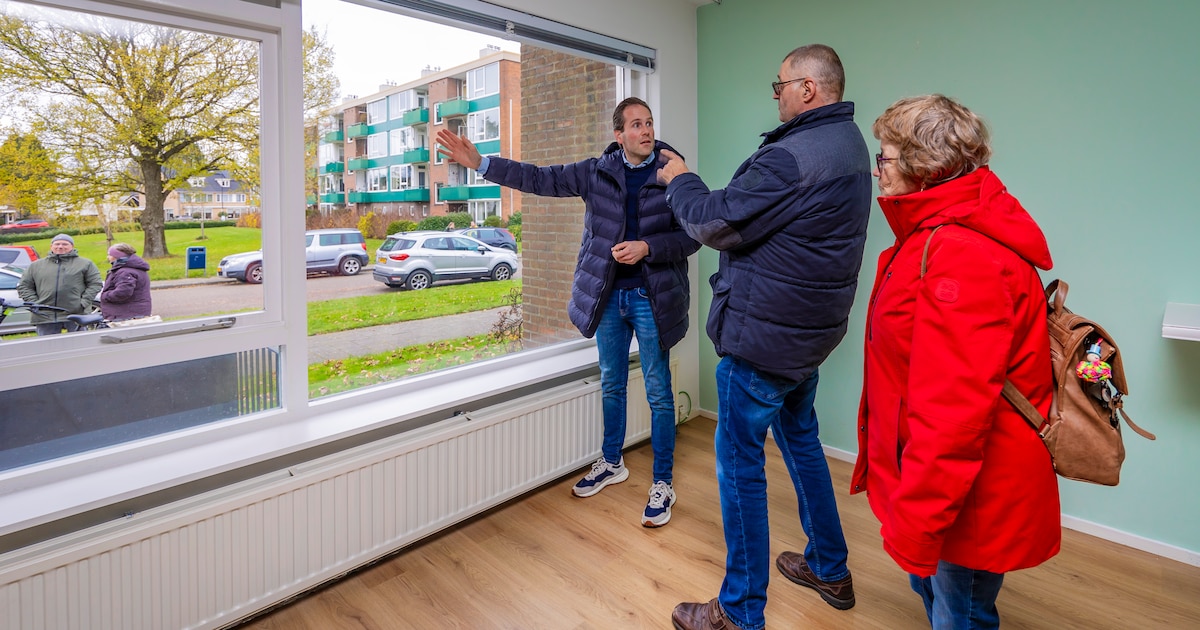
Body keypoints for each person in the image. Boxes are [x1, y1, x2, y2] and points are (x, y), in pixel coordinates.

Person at [659, 45, 871, 630]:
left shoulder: (793, 157)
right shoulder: (849, 144)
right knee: (802, 443)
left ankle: (738, 610)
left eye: (780, 84)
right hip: (807, 335)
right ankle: (830, 567)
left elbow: (713, 222)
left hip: (764, 342)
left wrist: (681, 179)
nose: (775, 94)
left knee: (739, 464)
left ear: (808, 88)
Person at [437, 97, 701, 528]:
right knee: (612, 383)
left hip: (652, 298)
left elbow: (694, 235)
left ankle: (663, 482)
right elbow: (538, 178)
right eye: (636, 124)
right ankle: (612, 462)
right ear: (619, 134)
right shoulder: (596, 172)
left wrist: (648, 248)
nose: (646, 130)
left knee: (658, 391)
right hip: (608, 298)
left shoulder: (674, 173)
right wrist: (481, 164)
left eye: (649, 122)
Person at [852, 94, 1060, 629]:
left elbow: (953, 414)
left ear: (924, 168)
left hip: (968, 490)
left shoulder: (962, 254)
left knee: (960, 613)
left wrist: (918, 522)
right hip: (948, 481)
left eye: (884, 157)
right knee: (946, 600)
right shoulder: (936, 236)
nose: (878, 170)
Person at [17, 233, 102, 335]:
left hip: (76, 313)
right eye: (57, 244)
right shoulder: (36, 266)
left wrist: (83, 302)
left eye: (65, 244)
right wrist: (35, 303)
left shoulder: (85, 264)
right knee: (47, 344)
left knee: (79, 343)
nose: (60, 247)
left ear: (72, 246)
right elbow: (24, 286)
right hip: (45, 315)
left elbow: (95, 284)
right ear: (51, 246)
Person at [98, 242, 152, 321]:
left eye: (110, 255)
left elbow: (123, 292)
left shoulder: (125, 272)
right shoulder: (133, 268)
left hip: (127, 315)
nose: (108, 257)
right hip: (134, 312)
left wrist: (105, 296)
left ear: (117, 256)